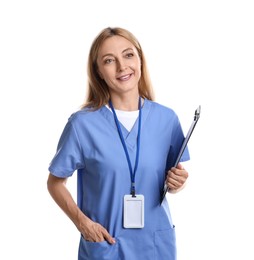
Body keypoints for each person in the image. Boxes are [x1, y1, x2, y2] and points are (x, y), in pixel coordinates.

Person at [47, 27, 190, 260]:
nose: (122, 67)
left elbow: (171, 181)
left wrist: (178, 183)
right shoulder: (82, 125)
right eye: (109, 60)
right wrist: (82, 223)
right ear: (99, 72)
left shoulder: (167, 119)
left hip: (155, 246)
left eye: (128, 55)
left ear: (140, 59)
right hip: (106, 244)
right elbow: (55, 182)